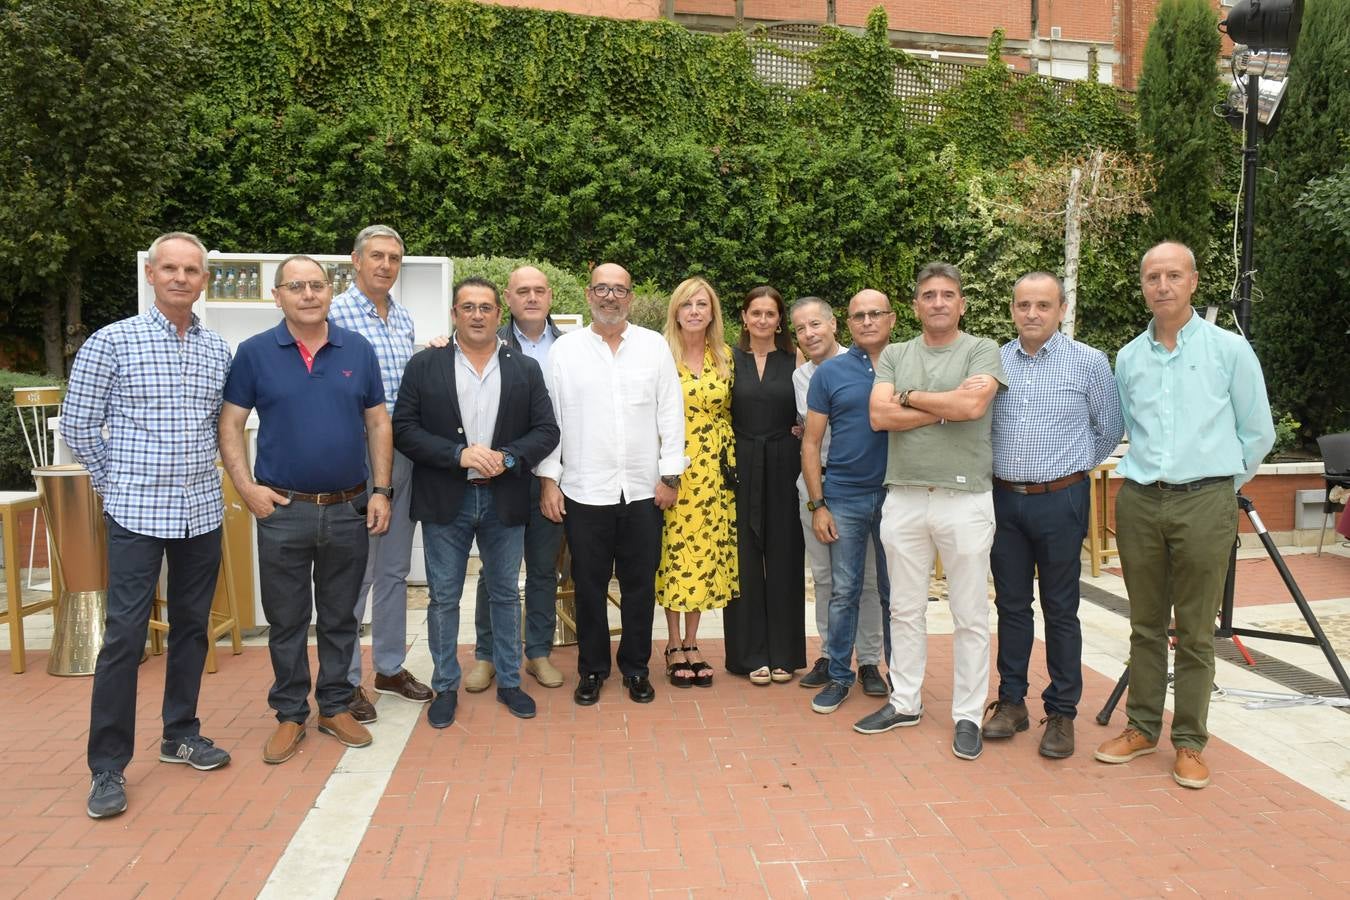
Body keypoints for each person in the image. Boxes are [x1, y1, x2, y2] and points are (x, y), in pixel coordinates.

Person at [65, 232, 233, 819]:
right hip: (136, 514)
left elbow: (222, 426)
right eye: (171, 269)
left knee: (191, 629)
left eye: (192, 270)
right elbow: (79, 425)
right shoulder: (113, 342)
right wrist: (118, 486)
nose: (181, 278)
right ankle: (106, 766)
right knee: (125, 638)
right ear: (151, 275)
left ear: (204, 279)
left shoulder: (218, 350)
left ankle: (180, 733)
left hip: (201, 512)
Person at [1095, 241, 1274, 789]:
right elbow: (1128, 428)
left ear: (1194, 282)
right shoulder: (1128, 357)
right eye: (1153, 277)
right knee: (1145, 625)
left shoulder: (1229, 351)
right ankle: (1142, 727)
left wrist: (1220, 486)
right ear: (1144, 286)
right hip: (1143, 500)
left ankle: (1191, 741)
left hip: (1206, 500)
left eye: (1174, 275)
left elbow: (1258, 433)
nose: (1163, 285)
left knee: (1195, 631)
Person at [220, 255, 392, 765]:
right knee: (288, 618)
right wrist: (246, 486)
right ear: (278, 296)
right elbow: (230, 424)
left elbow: (379, 423)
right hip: (283, 510)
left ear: (330, 292)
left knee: (341, 617)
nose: (309, 294)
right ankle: (290, 713)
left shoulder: (357, 350)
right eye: (297, 286)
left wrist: (381, 489)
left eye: (318, 285)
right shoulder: (253, 353)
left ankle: (335, 705)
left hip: (347, 508)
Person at [393, 277, 559, 728]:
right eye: (468, 307)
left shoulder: (524, 368)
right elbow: (404, 428)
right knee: (443, 598)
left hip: (504, 500)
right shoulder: (425, 365)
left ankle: (509, 681)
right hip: (447, 499)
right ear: (454, 314)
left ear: (497, 314)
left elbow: (546, 431)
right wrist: (457, 455)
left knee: (506, 594)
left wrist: (508, 457)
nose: (478, 314)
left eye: (486, 307)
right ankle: (445, 685)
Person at [859, 262, 1005, 762]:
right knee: (904, 607)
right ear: (916, 305)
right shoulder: (896, 353)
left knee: (969, 613)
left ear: (961, 303)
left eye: (948, 294)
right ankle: (905, 701)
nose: (939, 302)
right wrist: (944, 405)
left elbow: (972, 409)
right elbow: (879, 416)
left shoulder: (983, 349)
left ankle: (967, 714)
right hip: (902, 496)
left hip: (964, 499)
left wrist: (912, 399)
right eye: (929, 295)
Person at [985, 273, 1123, 759]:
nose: (1032, 313)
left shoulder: (1088, 362)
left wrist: (1070, 469)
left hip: (1061, 499)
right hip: (1004, 499)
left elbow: (1109, 428)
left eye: (1043, 304)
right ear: (1012, 309)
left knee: (1061, 609)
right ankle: (1011, 702)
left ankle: (1062, 712)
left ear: (1061, 308)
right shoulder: (994, 361)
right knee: (1011, 605)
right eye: (1023, 304)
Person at [537, 263, 686, 706]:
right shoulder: (565, 353)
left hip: (644, 491)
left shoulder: (653, 346)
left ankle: (636, 669)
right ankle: (592, 670)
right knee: (589, 585)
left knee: (641, 585)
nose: (610, 297)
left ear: (631, 297)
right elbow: (552, 421)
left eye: (619, 290)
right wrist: (550, 480)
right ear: (588, 294)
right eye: (602, 288)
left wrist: (671, 475)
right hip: (585, 490)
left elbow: (670, 413)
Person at [329, 224, 432, 722]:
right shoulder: (333, 315)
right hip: (356, 456)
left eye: (394, 257)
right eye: (377, 256)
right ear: (355, 260)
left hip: (404, 454)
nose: (385, 265)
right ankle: (345, 681)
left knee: (394, 569)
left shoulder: (403, 319)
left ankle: (389, 667)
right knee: (356, 573)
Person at [467, 265, 567, 693]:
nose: (531, 297)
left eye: (539, 291)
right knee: (495, 572)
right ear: (507, 298)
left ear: (550, 297)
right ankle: (487, 655)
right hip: (498, 476)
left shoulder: (572, 347)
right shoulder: (484, 339)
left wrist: (552, 478)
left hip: (551, 477)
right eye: (522, 291)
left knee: (544, 570)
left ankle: (538, 653)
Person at [802, 290, 895, 714]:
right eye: (859, 315)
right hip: (845, 496)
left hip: (900, 495)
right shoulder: (830, 373)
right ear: (848, 323)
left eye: (876, 313)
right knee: (844, 590)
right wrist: (817, 504)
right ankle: (840, 674)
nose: (867, 321)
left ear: (892, 318)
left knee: (893, 592)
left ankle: (888, 672)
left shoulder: (911, 364)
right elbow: (811, 442)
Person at [655, 277, 738, 688]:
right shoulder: (659, 353)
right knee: (673, 555)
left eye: (701, 304)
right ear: (675, 310)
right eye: (686, 303)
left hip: (714, 474)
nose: (694, 311)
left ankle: (692, 642)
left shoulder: (723, 356)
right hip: (672, 470)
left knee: (703, 555)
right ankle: (671, 644)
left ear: (712, 312)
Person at [725, 286, 806, 684]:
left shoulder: (796, 359)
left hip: (785, 462)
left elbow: (811, 410)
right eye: (754, 312)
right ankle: (748, 654)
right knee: (742, 558)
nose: (761, 320)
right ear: (743, 317)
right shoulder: (726, 359)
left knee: (784, 555)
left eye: (769, 314)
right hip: (738, 464)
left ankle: (784, 654)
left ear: (779, 320)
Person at [789, 297, 846, 689]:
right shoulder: (800, 377)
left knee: (865, 579)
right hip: (813, 481)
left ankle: (871, 660)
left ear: (833, 325)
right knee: (824, 577)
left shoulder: (864, 364)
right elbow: (809, 432)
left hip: (856, 485)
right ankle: (829, 654)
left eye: (815, 325)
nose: (809, 334)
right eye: (800, 329)